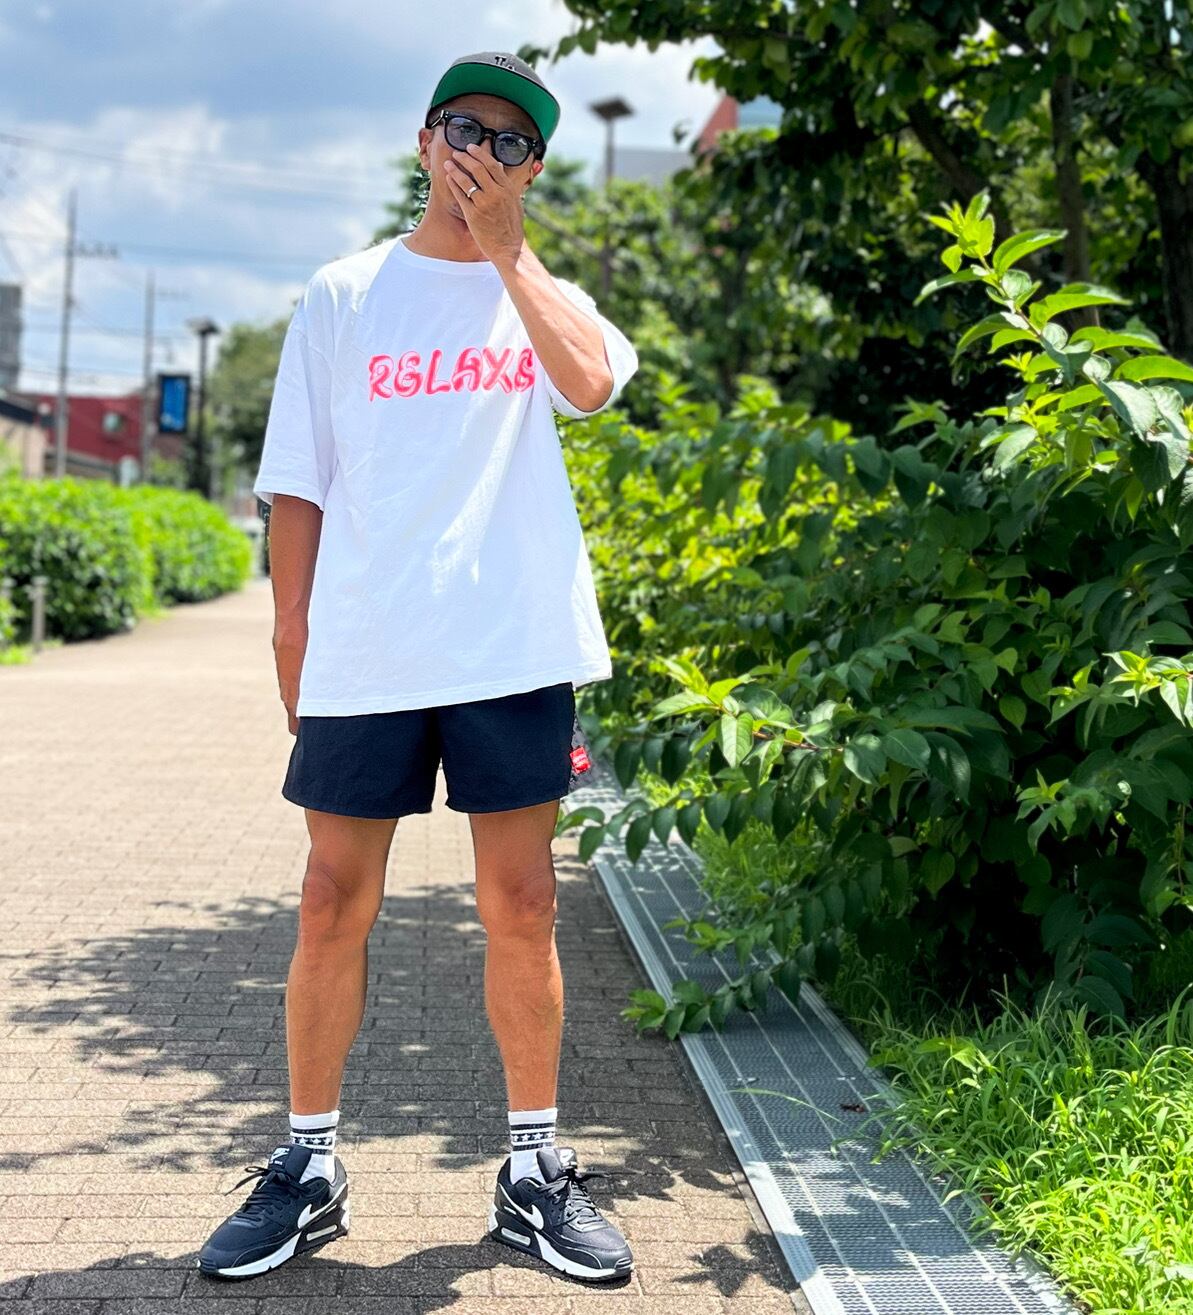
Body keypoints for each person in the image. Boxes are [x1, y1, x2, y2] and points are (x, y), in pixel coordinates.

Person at [196, 51, 639, 1285]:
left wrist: (507, 255)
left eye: (510, 141)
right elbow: (299, 481)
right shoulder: (344, 293)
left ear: (533, 170)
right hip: (368, 643)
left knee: (523, 901)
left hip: (510, 640)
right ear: (423, 140)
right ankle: (307, 1164)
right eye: (463, 128)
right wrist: (290, 637)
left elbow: (591, 386)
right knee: (328, 898)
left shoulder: (542, 292)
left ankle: (535, 1171)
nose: (482, 153)